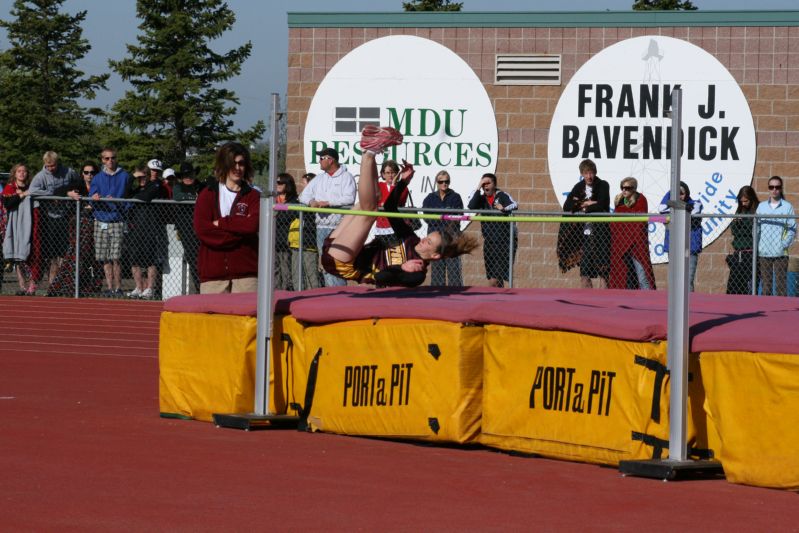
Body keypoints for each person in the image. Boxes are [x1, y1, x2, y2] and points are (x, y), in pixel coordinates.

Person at [321, 126, 478, 287]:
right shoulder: (410, 239)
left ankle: (370, 152)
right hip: (338, 246)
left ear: (435, 255)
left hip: (345, 263)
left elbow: (381, 278)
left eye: (429, 243)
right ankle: (369, 152)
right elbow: (389, 208)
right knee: (372, 200)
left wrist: (400, 268)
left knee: (370, 212)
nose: (424, 239)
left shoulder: (417, 271)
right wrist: (403, 182)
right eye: (428, 237)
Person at [193, 141, 259, 294]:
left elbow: (252, 225)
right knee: (214, 318)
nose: (237, 168)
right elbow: (202, 230)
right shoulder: (208, 194)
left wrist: (221, 223)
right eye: (233, 163)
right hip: (213, 276)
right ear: (224, 164)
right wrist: (238, 232)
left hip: (246, 275)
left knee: (246, 318)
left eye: (241, 163)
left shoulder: (253, 196)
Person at [298, 146, 356, 287]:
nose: (319, 161)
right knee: (324, 263)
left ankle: (340, 295)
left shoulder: (346, 177)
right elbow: (303, 195)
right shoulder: (319, 179)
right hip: (321, 226)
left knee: (337, 261)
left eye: (322, 158)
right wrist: (311, 201)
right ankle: (331, 292)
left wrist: (329, 203)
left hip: (339, 226)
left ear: (331, 160)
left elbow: (349, 198)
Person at [46, 162, 105, 296]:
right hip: (79, 226)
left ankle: (91, 286)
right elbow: (57, 192)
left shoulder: (100, 186)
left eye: (92, 173)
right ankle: (71, 285)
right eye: (86, 172)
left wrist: (97, 200)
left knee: (94, 259)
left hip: (97, 225)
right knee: (76, 256)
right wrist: (69, 193)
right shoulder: (78, 186)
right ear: (82, 174)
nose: (89, 175)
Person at [28, 151, 79, 290]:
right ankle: (51, 284)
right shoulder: (40, 176)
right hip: (49, 217)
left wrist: (68, 192)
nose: (51, 168)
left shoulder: (68, 172)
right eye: (48, 166)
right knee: (51, 254)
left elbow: (78, 182)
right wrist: (52, 194)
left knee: (64, 252)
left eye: (54, 165)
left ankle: (63, 283)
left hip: (65, 216)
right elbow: (32, 190)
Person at [89, 147, 132, 297]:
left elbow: (130, 198)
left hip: (117, 220)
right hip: (100, 219)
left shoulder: (125, 176)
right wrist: (94, 198)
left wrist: (121, 205)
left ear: (116, 158)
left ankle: (118, 288)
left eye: (112, 157)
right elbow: (91, 197)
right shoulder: (97, 177)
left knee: (116, 257)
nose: (110, 161)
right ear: (102, 160)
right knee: (104, 257)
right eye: (106, 158)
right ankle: (109, 287)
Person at [561, 159, 610, 289]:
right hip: (585, 235)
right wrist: (587, 203)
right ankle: (588, 300)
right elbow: (567, 205)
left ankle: (605, 301)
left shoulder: (603, 185)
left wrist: (583, 205)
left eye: (591, 173)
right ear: (582, 174)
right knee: (584, 271)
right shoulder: (579, 187)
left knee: (604, 271)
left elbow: (602, 204)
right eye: (586, 173)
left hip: (601, 233)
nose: (589, 176)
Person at [125, 160, 169, 299]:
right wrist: (133, 177)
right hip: (136, 228)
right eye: (152, 170)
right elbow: (125, 193)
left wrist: (135, 197)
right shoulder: (138, 187)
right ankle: (138, 287)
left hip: (152, 228)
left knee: (151, 260)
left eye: (157, 171)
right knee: (134, 259)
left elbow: (146, 197)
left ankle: (150, 288)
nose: (154, 173)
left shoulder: (157, 185)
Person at [468, 172, 518, 288]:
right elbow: (471, 205)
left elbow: (515, 205)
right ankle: (498, 299)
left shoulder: (502, 195)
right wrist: (478, 186)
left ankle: (500, 299)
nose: (485, 186)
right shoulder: (481, 198)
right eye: (483, 183)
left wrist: (504, 208)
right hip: (489, 242)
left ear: (494, 185)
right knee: (492, 278)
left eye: (488, 183)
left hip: (504, 242)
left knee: (497, 277)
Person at [608, 177, 656, 290]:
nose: (624, 190)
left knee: (642, 276)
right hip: (620, 244)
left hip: (636, 243)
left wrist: (629, 235)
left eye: (628, 188)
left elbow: (638, 223)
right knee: (623, 276)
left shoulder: (641, 200)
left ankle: (649, 301)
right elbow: (617, 224)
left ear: (634, 189)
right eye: (622, 187)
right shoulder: (619, 201)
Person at [658, 181, 703, 292]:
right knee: (674, 280)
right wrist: (672, 195)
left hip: (690, 248)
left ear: (687, 193)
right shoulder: (670, 205)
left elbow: (694, 212)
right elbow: (661, 208)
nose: (680, 196)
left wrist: (675, 207)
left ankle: (690, 306)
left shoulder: (696, 203)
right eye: (676, 193)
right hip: (674, 248)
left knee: (688, 281)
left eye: (682, 193)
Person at [756, 176, 796, 296]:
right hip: (764, 251)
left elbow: (792, 228)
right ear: (768, 189)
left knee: (781, 286)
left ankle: (781, 312)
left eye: (777, 187)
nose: (774, 190)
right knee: (766, 286)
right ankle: (767, 311)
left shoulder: (787, 207)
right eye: (771, 187)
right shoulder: (761, 206)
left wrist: (783, 245)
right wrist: (758, 245)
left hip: (780, 253)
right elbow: (756, 228)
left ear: (781, 188)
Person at [2, 164, 38, 295]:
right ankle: (22, 286)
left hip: (30, 224)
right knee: (17, 256)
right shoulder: (10, 187)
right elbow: (8, 203)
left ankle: (31, 285)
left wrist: (23, 193)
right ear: (14, 173)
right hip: (14, 225)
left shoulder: (31, 187)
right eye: (19, 171)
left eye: (24, 171)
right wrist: (21, 195)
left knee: (30, 256)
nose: (22, 173)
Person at [423, 170, 464, 286]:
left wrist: (438, 217)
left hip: (451, 239)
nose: (444, 184)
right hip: (436, 241)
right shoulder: (430, 198)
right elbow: (426, 217)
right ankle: (437, 298)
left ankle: (457, 296)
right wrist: (444, 217)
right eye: (441, 181)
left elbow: (457, 217)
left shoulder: (456, 197)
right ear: (437, 182)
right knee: (437, 272)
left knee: (454, 271)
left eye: (446, 181)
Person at [172, 162, 204, 294]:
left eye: (190, 174)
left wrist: (197, 198)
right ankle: (199, 288)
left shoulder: (201, 185)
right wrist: (194, 198)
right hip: (186, 228)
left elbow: (205, 198)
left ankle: (206, 287)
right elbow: (178, 197)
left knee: (204, 258)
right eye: (185, 175)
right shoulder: (178, 186)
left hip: (201, 226)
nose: (188, 177)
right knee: (192, 258)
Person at [726, 186, 760, 295]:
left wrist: (743, 221)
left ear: (751, 199)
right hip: (738, 252)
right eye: (741, 201)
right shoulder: (740, 210)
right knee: (733, 284)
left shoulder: (756, 210)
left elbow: (752, 230)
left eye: (746, 201)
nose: (744, 204)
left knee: (749, 283)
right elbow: (735, 231)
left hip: (750, 252)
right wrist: (737, 222)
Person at [289, 173, 321, 291]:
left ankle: (314, 296)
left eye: (304, 183)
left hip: (309, 243)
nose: (302, 185)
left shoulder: (316, 200)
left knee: (311, 275)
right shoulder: (300, 199)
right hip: (296, 243)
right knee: (296, 274)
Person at [374, 160, 409, 245]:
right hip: (380, 228)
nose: (390, 175)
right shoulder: (379, 186)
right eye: (387, 172)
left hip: (395, 227)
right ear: (383, 174)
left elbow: (392, 202)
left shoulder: (403, 188)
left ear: (397, 174)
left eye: (393, 172)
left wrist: (393, 185)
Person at [274, 172, 297, 290]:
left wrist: (275, 215)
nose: (277, 184)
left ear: (287, 184)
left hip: (285, 240)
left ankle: (286, 291)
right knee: (274, 269)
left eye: (279, 182)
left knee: (286, 269)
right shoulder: (273, 199)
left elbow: (286, 217)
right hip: (273, 240)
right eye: (276, 182)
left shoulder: (293, 201)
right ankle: (276, 291)